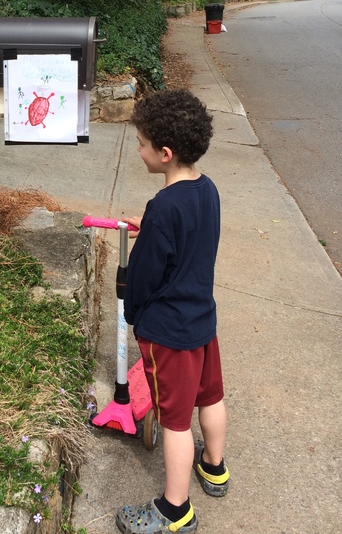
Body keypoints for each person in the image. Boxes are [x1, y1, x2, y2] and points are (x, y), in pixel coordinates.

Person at [116, 89, 229, 534]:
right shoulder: (208, 189)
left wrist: (134, 312)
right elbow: (194, 238)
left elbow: (144, 277)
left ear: (164, 154)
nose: (138, 149)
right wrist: (158, 231)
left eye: (141, 143)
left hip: (170, 333)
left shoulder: (163, 207)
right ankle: (215, 467)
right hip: (203, 321)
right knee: (212, 396)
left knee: (176, 422)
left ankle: (174, 510)